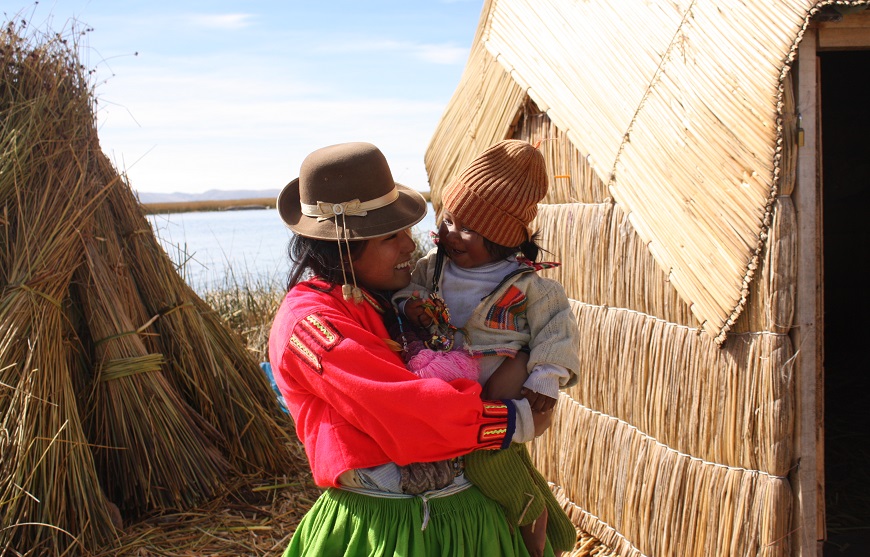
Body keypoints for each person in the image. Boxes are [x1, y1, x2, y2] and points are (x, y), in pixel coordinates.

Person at [268, 141, 559, 556]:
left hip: (461, 518)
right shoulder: (312, 326)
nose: (411, 246)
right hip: (393, 530)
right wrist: (514, 420)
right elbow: (409, 413)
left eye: (406, 231)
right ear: (343, 248)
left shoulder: (390, 298)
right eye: (392, 237)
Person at [393, 139, 580, 556]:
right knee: (480, 457)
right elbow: (406, 292)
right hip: (452, 382)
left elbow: (557, 332)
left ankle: (535, 527)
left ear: (499, 239)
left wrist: (545, 379)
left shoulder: (529, 286)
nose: (450, 234)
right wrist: (413, 306)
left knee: (486, 458)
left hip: (502, 383)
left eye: (467, 229)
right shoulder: (433, 268)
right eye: (449, 220)